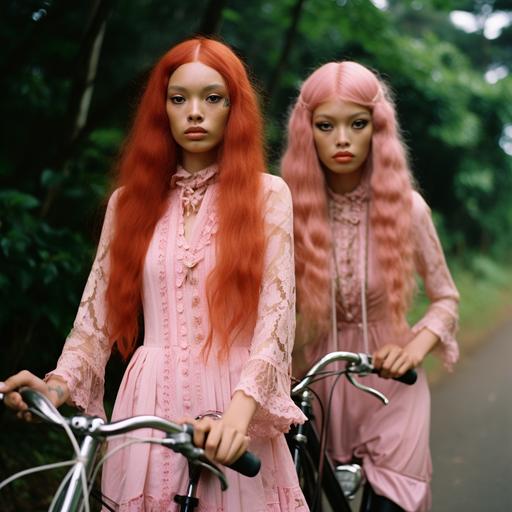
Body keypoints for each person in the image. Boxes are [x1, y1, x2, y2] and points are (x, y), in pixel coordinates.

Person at [0, 37, 308, 511]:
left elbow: (276, 321)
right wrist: (55, 386)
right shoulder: (129, 202)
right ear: (161, 108)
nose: (195, 112)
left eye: (213, 98)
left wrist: (238, 416)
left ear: (234, 109)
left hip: (231, 406)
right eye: (179, 98)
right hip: (145, 407)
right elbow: (94, 323)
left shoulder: (269, 195)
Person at [281, 61, 459, 512]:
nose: (342, 138)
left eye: (357, 124)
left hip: (393, 384)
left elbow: (445, 299)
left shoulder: (408, 209)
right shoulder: (285, 211)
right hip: (313, 382)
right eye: (326, 125)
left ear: (377, 128)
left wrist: (415, 349)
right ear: (308, 132)